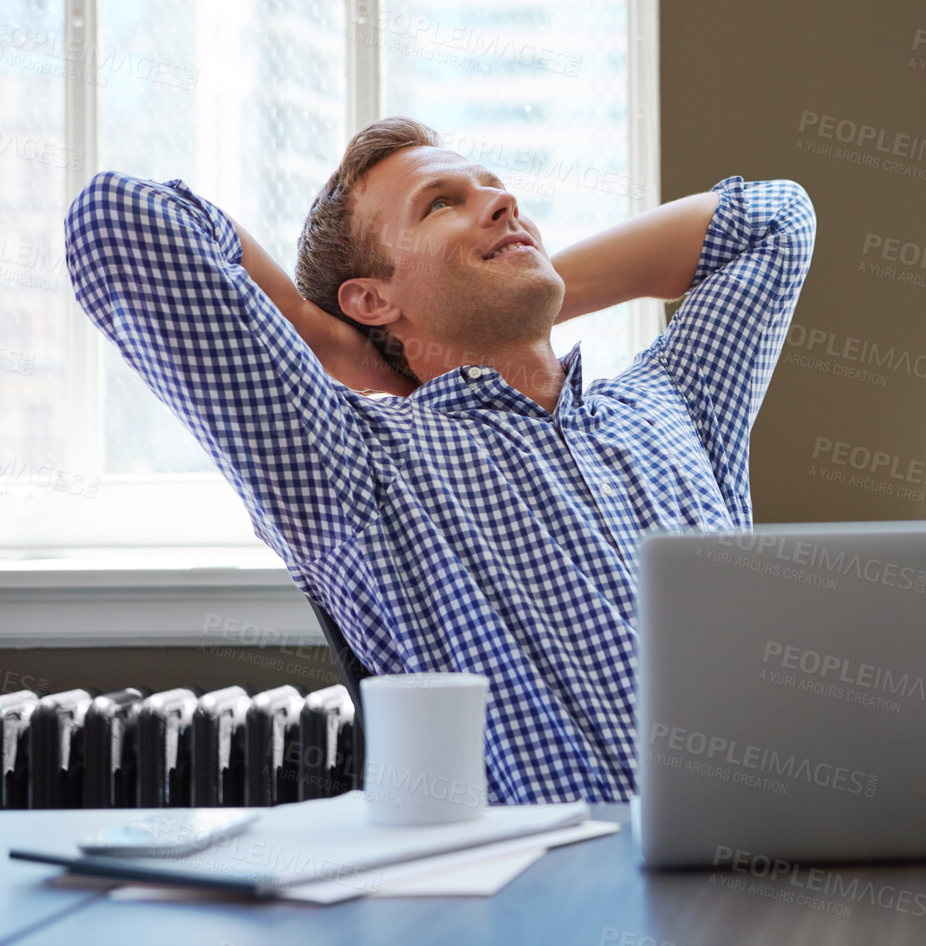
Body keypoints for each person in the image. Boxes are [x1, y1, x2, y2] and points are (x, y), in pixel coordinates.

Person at [64, 117, 816, 803]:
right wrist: (333, 344)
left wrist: (529, 287)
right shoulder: (358, 463)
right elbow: (117, 223)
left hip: (801, 869)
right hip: (575, 906)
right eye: (441, 204)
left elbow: (775, 220)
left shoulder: (674, 400)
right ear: (368, 299)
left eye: (494, 190)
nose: (503, 202)